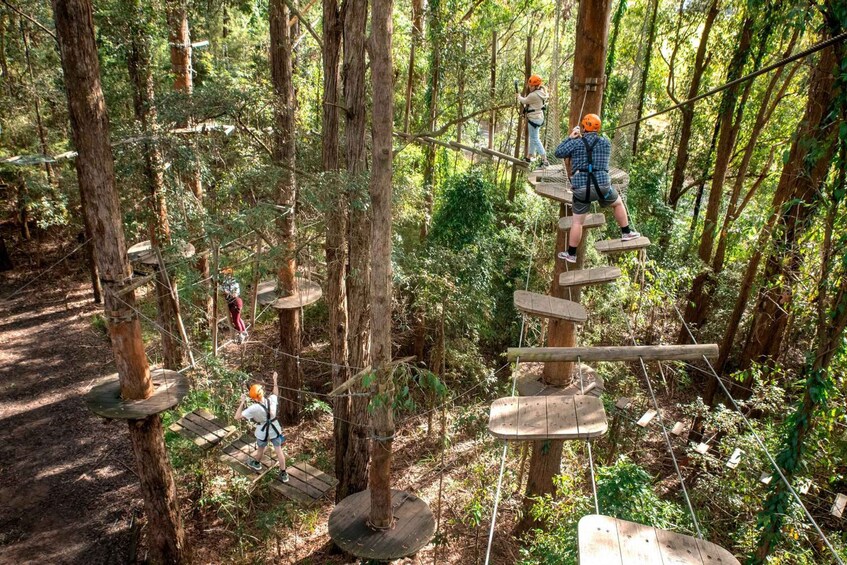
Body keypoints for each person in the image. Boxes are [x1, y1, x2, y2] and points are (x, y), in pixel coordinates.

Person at [554, 113, 640, 263]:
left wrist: (571, 137)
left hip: (581, 190)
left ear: (583, 127)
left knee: (577, 222)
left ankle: (571, 254)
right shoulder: (605, 143)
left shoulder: (576, 143)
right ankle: (626, 232)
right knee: (618, 203)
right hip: (602, 187)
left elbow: (558, 152)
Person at [235, 371, 289, 482]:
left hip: (263, 431)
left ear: (254, 398)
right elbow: (275, 393)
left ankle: (257, 463)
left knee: (261, 449)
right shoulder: (272, 401)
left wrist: (242, 402)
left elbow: (237, 417)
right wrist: (275, 380)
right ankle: (284, 473)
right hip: (274, 429)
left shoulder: (253, 408)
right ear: (263, 393)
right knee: (279, 451)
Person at [517, 75, 550, 168]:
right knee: (533, 137)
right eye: (529, 86)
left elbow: (524, 101)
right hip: (538, 118)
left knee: (535, 139)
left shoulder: (534, 95)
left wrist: (518, 96)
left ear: (536, 86)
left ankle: (545, 160)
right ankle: (529, 156)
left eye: (531, 86)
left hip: (534, 119)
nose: (530, 87)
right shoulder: (541, 92)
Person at [221, 268, 248, 343]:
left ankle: (241, 335)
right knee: (238, 319)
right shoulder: (231, 282)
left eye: (225, 274)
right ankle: (244, 332)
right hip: (236, 302)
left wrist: (226, 292)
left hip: (235, 302)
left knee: (236, 320)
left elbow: (234, 294)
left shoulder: (231, 282)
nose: (224, 275)